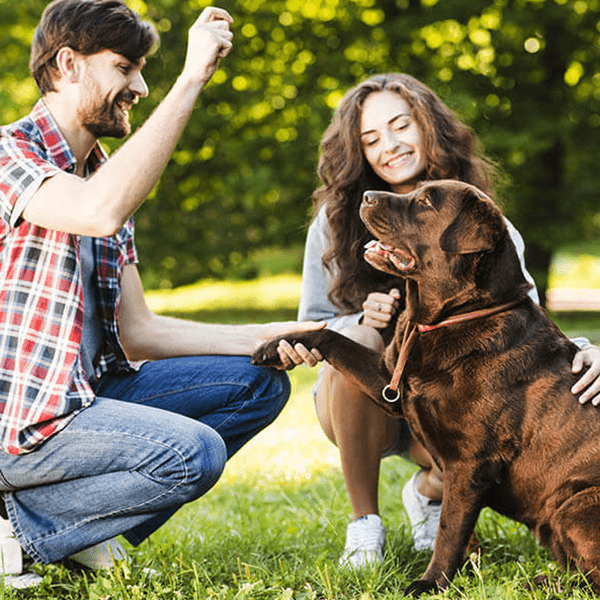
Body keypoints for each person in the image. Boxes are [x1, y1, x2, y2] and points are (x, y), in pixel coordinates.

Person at [0, 0, 324, 589]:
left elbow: (139, 330)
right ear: (68, 64)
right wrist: (193, 75)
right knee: (191, 453)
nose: (141, 87)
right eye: (125, 67)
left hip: (86, 397)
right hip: (19, 423)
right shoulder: (8, 156)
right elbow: (97, 212)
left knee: (257, 382)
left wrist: (263, 335)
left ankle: (77, 536)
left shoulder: (103, 175)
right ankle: (21, 531)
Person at [277, 73, 600, 569]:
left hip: (460, 411)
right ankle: (365, 527)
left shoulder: (479, 216)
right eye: (370, 139)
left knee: (481, 457)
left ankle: (431, 493)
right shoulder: (337, 220)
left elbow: (524, 323)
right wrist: (360, 319)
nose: (389, 146)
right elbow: (313, 323)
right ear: (358, 152)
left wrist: (589, 351)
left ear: (427, 126)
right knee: (358, 334)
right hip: (373, 407)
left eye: (399, 125)